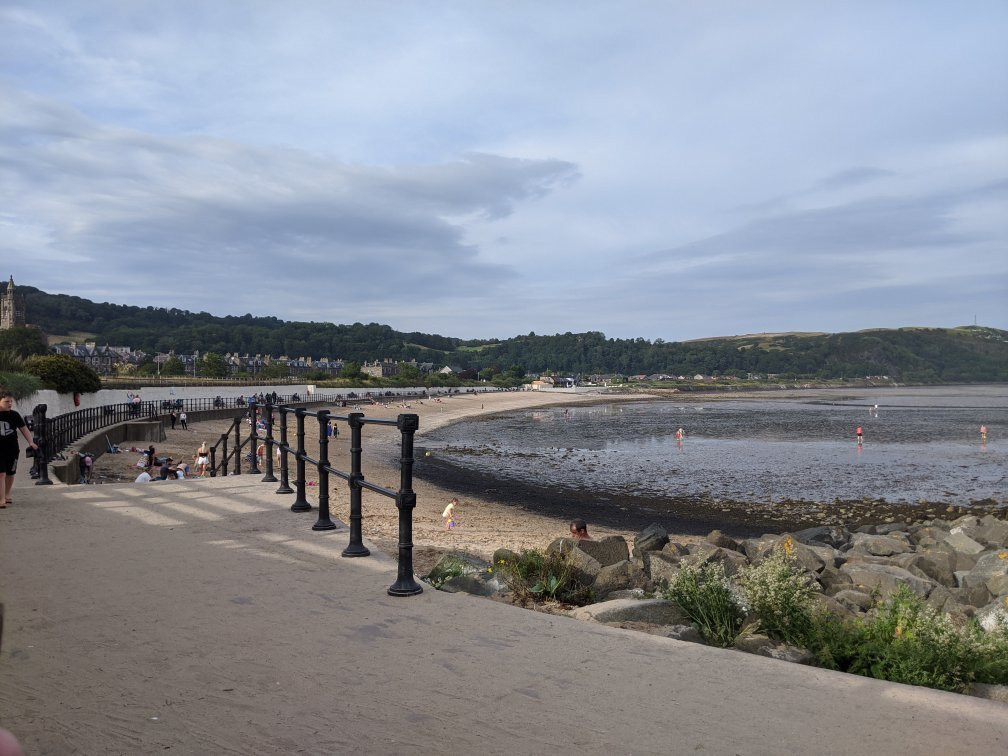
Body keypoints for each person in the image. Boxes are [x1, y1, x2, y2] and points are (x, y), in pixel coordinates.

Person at [0, 391, 39, 507]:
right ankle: (1, 499)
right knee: (1, 473)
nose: (10, 404)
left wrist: (31, 442)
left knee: (10, 473)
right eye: (6, 401)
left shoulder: (14, 415)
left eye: (11, 401)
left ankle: (7, 495)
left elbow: (24, 429)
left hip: (12, 448)